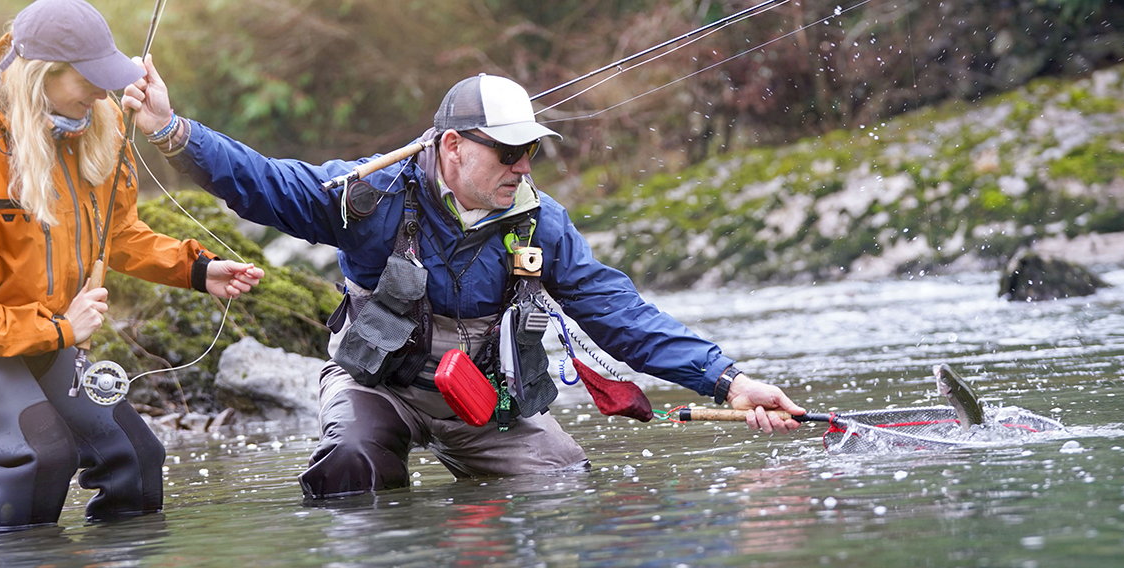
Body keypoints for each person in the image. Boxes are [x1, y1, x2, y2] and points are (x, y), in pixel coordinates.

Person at [122, 63, 804, 500]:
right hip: (377, 387)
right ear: (453, 147)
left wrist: (728, 380)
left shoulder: (543, 225)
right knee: (348, 468)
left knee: (561, 486)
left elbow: (618, 312)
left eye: (531, 151)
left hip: (486, 405)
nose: (524, 168)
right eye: (509, 153)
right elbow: (264, 184)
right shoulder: (372, 194)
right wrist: (172, 131)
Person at [0, 0, 263, 533]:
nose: (104, 94)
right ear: (42, 75)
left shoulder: (94, 125)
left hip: (37, 325)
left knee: (135, 456)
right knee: (43, 458)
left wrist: (196, 270)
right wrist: (61, 328)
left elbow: (117, 236)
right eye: (90, 79)